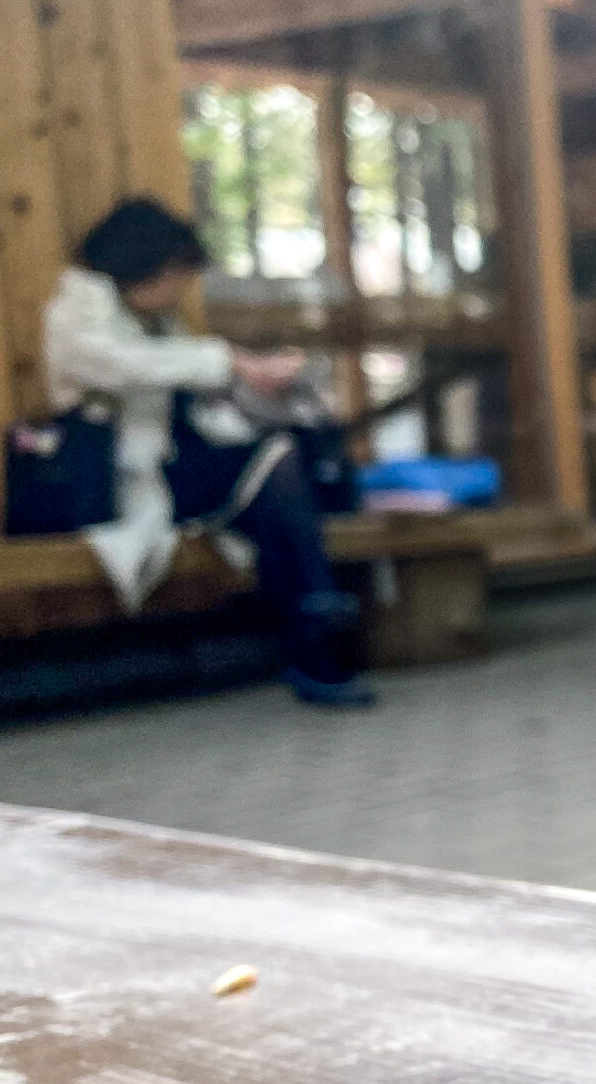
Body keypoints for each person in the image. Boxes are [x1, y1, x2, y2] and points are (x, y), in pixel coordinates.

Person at [45, 197, 373, 707]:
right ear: (147, 266)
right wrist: (233, 362)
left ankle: (316, 620)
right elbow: (126, 365)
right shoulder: (76, 317)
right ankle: (317, 632)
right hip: (119, 486)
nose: (181, 288)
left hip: (173, 472)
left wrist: (254, 388)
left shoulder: (159, 325)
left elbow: (187, 401)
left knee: (275, 467)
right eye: (177, 274)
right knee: (274, 481)